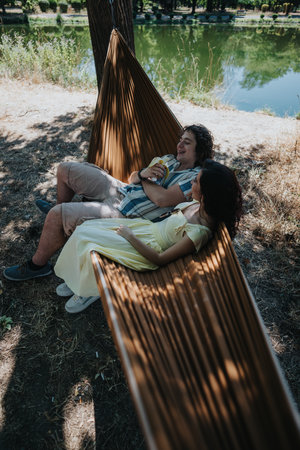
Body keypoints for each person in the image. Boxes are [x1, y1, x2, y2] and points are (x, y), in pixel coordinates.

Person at [3, 124, 214, 281]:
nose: (179, 145)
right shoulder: (168, 159)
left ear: (200, 151)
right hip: (120, 189)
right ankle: (57, 217)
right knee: (65, 169)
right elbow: (132, 178)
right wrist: (142, 174)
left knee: (57, 215)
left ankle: (38, 266)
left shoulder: (194, 178)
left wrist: (145, 179)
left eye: (187, 142)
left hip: (125, 213)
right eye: (181, 139)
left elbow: (162, 199)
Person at [54, 160, 243, 313]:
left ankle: (88, 291)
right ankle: (75, 279)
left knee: (91, 244)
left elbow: (160, 259)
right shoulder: (195, 205)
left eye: (196, 182)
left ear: (205, 195)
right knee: (84, 230)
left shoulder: (199, 232)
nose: (191, 183)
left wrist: (130, 236)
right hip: (144, 229)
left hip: (145, 250)